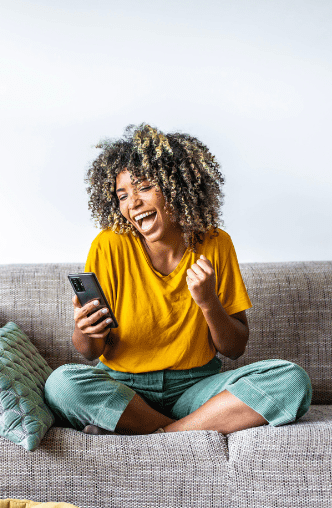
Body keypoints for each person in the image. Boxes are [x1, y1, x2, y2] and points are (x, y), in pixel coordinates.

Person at [44, 124, 312, 435]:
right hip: (125, 390)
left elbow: (235, 348)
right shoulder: (109, 245)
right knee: (61, 385)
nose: (132, 203)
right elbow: (89, 351)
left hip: (196, 390)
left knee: (292, 380)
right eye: (123, 195)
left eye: (144, 187)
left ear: (177, 187)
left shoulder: (215, 243)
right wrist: (83, 328)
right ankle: (188, 431)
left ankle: (154, 433)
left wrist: (208, 302)